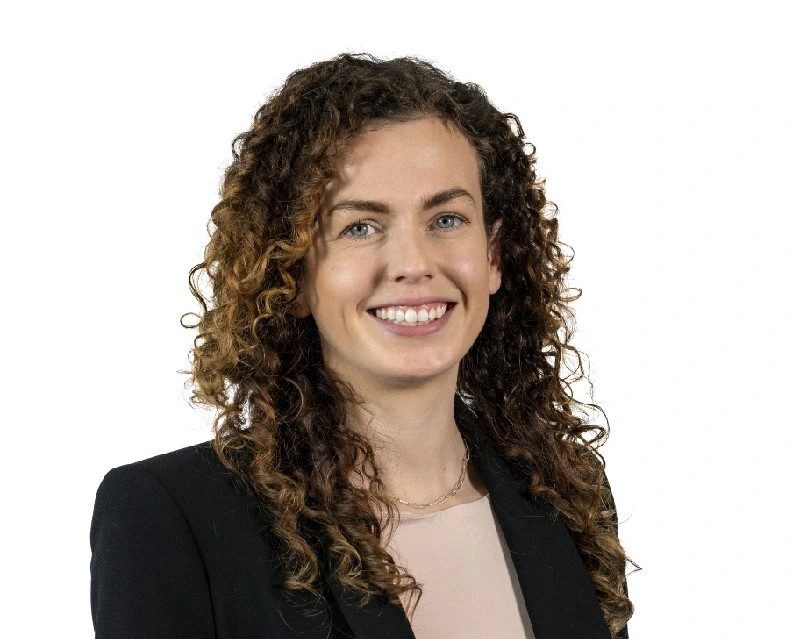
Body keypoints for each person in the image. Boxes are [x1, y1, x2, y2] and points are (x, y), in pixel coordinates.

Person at [90, 52, 636, 638]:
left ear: (493, 256)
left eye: (447, 219)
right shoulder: (172, 517)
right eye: (360, 227)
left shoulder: (565, 493)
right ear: (293, 275)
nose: (413, 264)